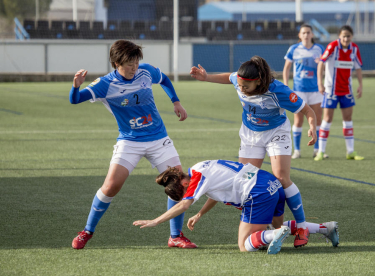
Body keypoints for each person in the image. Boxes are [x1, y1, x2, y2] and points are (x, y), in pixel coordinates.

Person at [70, 39, 197, 249]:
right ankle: (87, 231)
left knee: (178, 183)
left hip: (158, 139)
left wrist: (176, 101)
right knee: (111, 187)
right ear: (116, 63)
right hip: (129, 141)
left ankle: (175, 236)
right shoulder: (105, 84)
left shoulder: (145, 72)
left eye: (136, 62)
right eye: (130, 64)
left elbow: (164, 79)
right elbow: (75, 100)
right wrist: (76, 86)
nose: (134, 68)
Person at [189, 56, 317, 248]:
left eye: (245, 87)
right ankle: (266, 231)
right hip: (250, 135)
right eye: (239, 85)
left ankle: (301, 226)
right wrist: (206, 77)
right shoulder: (239, 80)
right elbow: (229, 77)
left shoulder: (278, 91)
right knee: (245, 180)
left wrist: (312, 128)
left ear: (259, 81)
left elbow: (308, 111)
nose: (241, 89)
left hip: (276, 133)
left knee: (281, 178)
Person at [132, 160, 339, 254]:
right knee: (276, 223)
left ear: (184, 184)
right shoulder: (201, 167)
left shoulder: (195, 178)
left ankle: (275, 235)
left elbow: (185, 204)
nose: (185, 195)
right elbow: (215, 193)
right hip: (270, 183)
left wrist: (155, 221)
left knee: (245, 245)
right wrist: (201, 214)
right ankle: (325, 228)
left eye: (182, 193)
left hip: (256, 193)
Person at [315, 25, 364, 161]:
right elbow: (321, 63)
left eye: (348, 36)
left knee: (348, 120)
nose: (346, 38)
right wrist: (320, 83)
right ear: (339, 36)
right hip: (331, 91)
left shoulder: (354, 49)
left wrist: (360, 84)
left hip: (346, 91)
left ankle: (350, 152)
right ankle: (320, 151)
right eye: (343, 36)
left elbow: (358, 67)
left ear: (351, 37)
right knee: (327, 119)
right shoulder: (332, 47)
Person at [283, 24, 326, 159]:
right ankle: (297, 150)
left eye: (308, 32)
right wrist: (286, 85)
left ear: (312, 34)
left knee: (317, 119)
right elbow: (286, 68)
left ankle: (318, 150)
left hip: (315, 90)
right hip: (299, 90)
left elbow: (325, 67)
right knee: (298, 120)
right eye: (304, 33)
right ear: (300, 35)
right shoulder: (294, 49)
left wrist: (322, 68)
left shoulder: (319, 49)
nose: (306, 35)